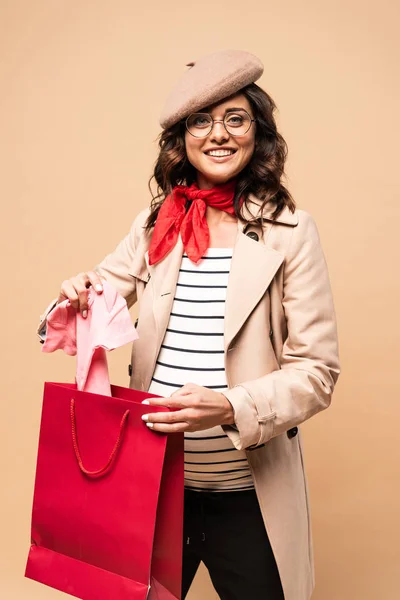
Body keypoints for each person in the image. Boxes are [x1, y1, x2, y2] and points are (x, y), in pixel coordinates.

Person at [38, 50, 340, 600]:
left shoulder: (291, 231)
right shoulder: (158, 222)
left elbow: (317, 371)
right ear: (182, 138)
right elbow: (98, 294)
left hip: (248, 492)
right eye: (201, 120)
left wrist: (230, 406)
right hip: (152, 488)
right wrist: (75, 295)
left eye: (235, 118)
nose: (218, 134)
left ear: (258, 133)